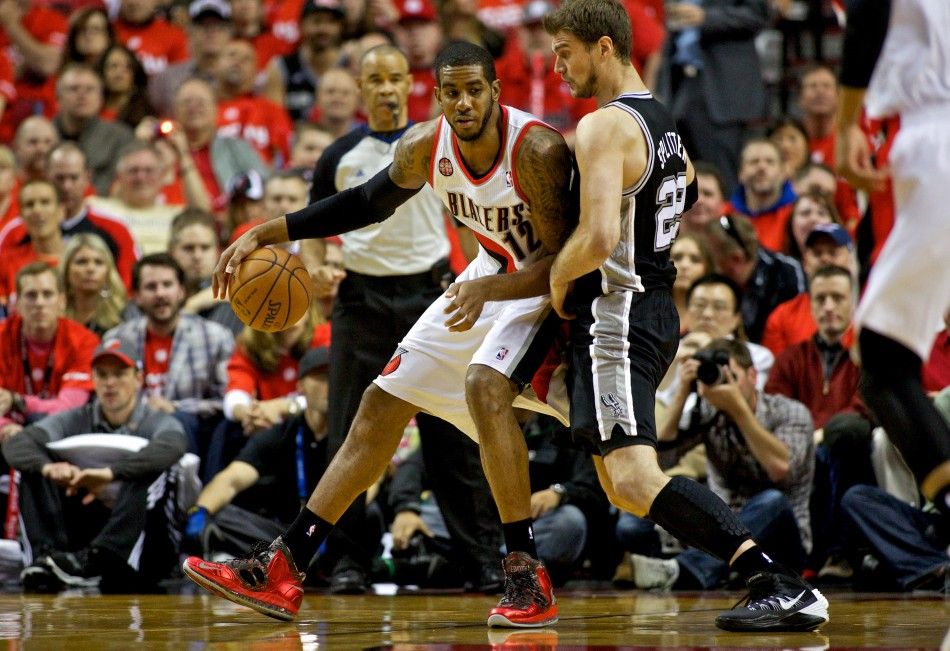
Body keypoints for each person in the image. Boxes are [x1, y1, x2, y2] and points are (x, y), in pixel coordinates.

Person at [185, 41, 576, 626]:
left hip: (547, 292)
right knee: (378, 404)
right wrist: (267, 234)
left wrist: (495, 293)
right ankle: (285, 567)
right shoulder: (426, 145)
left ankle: (529, 569)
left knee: (606, 453)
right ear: (437, 96)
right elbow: (364, 203)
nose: (464, 102)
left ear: (496, 92)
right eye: (452, 92)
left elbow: (565, 261)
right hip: (487, 274)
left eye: (475, 90)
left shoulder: (538, 149)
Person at [544, 0, 826, 632]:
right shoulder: (663, 119)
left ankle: (775, 580)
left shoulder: (603, 127)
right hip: (650, 306)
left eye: (565, 52)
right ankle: (772, 579)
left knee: (635, 477)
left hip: (616, 315)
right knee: (621, 484)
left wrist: (559, 281)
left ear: (605, 48)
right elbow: (691, 186)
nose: (557, 67)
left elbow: (593, 237)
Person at [298, 45, 503, 594]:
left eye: (396, 78)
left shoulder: (436, 145)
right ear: (361, 89)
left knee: (453, 435)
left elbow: (469, 223)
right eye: (376, 81)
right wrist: (317, 272)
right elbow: (316, 235)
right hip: (360, 303)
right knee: (348, 436)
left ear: (410, 85)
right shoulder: (338, 156)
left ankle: (482, 559)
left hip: (431, 294)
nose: (387, 89)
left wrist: (482, 280)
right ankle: (347, 561)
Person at [838, 0, 950, 517]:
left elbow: (867, 12)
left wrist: (844, 124)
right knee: (885, 363)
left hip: (927, 135)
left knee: (882, 364)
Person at [3, 336, 188, 592]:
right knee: (31, 468)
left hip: (149, 540)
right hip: (87, 518)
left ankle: (108, 557)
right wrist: (51, 468)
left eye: (120, 373)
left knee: (158, 469)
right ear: (93, 380)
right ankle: (47, 559)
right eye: (102, 374)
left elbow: (174, 445)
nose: (110, 383)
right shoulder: (77, 418)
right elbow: (18, 444)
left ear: (138, 378)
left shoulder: (154, 420)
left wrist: (109, 474)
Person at [637, 339, 816, 590]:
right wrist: (681, 394)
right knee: (634, 522)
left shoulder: (789, 412)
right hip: (727, 528)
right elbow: (659, 460)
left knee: (771, 501)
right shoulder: (709, 413)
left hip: (784, 541)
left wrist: (739, 411)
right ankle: (710, 567)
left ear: (753, 375)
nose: (722, 382)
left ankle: (686, 569)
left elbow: (781, 470)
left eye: (731, 375)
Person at [104, 254, 234, 463]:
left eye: (167, 285)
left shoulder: (215, 337)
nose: (160, 293)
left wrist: (177, 408)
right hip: (130, 431)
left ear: (181, 291)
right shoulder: (117, 339)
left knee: (177, 421)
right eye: (151, 287)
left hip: (192, 432)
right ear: (136, 295)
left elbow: (227, 400)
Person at [52, 63, 136, 195]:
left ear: (100, 98)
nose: (82, 95)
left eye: (89, 89)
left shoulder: (120, 137)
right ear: (58, 97)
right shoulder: (43, 135)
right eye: (74, 89)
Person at [59, 233, 134, 338]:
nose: (90, 269)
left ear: (108, 271)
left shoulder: (124, 315)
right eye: (82, 262)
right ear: (67, 270)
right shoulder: (55, 315)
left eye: (98, 262)